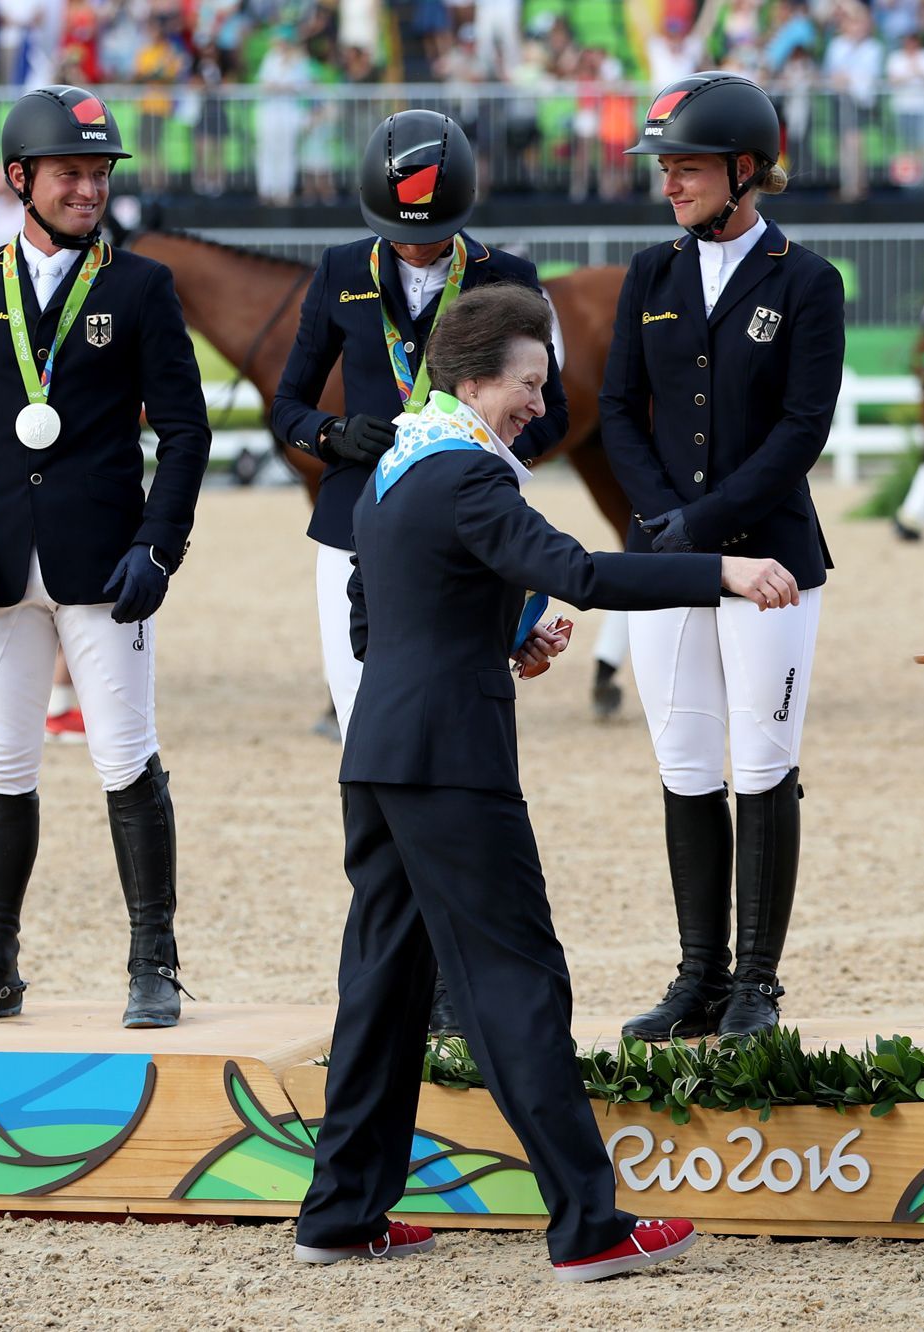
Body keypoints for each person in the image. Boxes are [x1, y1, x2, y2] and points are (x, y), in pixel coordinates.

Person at [294, 281, 799, 1282]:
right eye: (529, 383)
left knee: (384, 987)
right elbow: (584, 572)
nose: (540, 402)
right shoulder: (471, 480)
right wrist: (721, 573)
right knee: (516, 981)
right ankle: (588, 1225)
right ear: (478, 378)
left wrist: (504, 633)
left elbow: (373, 616)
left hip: (381, 755)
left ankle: (340, 1212)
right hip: (450, 762)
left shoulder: (395, 470)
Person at [0, 85, 211, 1030]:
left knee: (125, 757)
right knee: (2, 763)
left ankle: (153, 964)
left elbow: (188, 430)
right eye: (71, 174)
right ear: (20, 180)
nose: (88, 189)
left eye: (99, 174)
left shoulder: (141, 285)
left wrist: (159, 546)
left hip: (103, 561)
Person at [270, 107, 568, 1035]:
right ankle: (389, 963)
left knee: (460, 746)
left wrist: (469, 435)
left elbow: (547, 418)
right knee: (375, 747)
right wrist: (330, 435)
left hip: (469, 533)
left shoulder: (507, 278)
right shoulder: (336, 274)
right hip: (360, 524)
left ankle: (458, 967)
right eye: (401, 235)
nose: (417, 248)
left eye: (433, 233)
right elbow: (283, 404)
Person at [602, 72, 844, 1041]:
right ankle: (697, 975)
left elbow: (799, 430)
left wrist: (703, 523)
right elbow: (617, 410)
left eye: (687, 167)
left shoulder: (804, 281)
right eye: (664, 167)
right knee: (686, 763)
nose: (669, 182)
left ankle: (757, 983)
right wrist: (660, 516)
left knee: (763, 765)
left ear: (745, 171)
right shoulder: (649, 276)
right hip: (663, 556)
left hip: (769, 561)